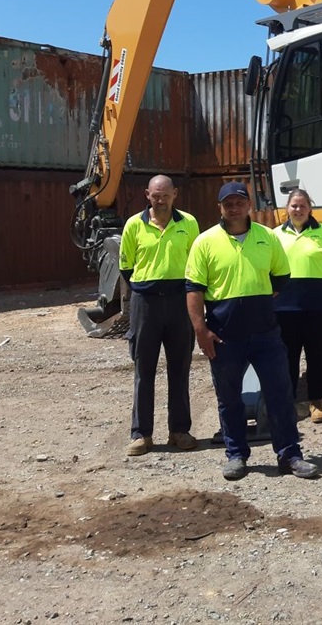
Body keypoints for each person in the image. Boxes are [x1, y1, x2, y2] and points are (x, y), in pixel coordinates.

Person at [185, 182, 320, 481]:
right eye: (227, 203)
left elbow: (281, 277)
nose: (233, 207)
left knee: (280, 393)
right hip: (224, 335)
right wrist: (200, 330)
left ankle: (289, 455)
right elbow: (194, 288)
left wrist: (257, 300)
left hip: (266, 333)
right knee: (229, 396)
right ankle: (236, 455)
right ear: (219, 207)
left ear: (249, 205)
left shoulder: (267, 237)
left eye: (239, 202)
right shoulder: (205, 242)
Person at [120, 175, 201, 457]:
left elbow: (196, 262)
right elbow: (126, 267)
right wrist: (146, 288)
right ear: (147, 195)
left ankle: (179, 431)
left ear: (175, 194)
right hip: (146, 304)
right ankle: (141, 434)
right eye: (156, 195)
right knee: (144, 370)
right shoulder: (134, 225)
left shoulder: (189, 223)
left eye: (165, 194)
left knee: (180, 368)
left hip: (180, 302)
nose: (161, 199)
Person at [273, 188, 322, 423]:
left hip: (317, 306)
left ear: (310, 208)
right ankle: (290, 403)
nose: (298, 209)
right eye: (294, 205)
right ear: (287, 208)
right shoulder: (274, 235)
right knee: (288, 356)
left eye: (302, 205)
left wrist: (316, 287)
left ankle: (316, 403)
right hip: (284, 307)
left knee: (316, 355)